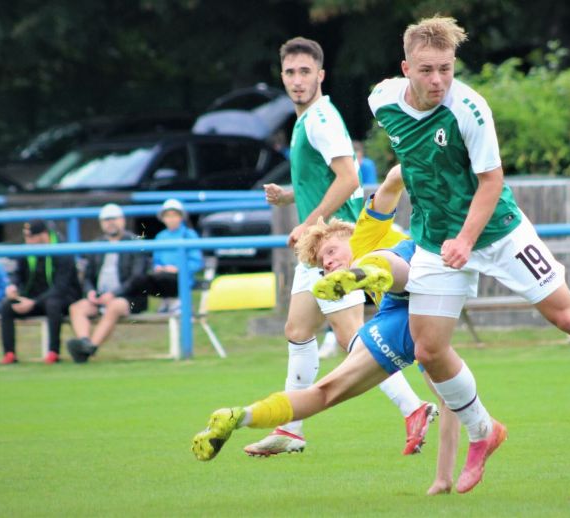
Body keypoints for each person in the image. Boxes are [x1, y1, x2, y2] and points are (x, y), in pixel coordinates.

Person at [367, 16, 570, 493]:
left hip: (499, 233)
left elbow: (490, 182)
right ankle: (484, 432)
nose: (438, 80)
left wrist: (466, 239)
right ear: (405, 68)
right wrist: (446, 239)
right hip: (436, 242)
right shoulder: (382, 101)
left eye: (446, 69)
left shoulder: (469, 109)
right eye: (426, 70)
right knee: (429, 350)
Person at [193, 167, 460, 494]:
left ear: (347, 233)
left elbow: (388, 183)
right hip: (403, 316)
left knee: (386, 267)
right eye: (323, 264)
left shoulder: (364, 231)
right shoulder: (352, 279)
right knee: (325, 392)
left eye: (331, 253)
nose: (329, 263)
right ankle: (241, 416)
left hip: (415, 279)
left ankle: (373, 273)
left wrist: (417, 155)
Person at [249, 36, 428, 457]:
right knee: (298, 330)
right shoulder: (307, 119)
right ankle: (291, 429)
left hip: (334, 245)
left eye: (305, 72)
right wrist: (290, 196)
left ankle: (413, 406)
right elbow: (329, 181)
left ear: (320, 76)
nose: (297, 80)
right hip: (320, 243)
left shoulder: (320, 119)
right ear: (282, 76)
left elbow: (349, 179)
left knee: (352, 337)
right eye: (291, 73)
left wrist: (308, 223)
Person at [66, 204, 150, 363]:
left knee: (115, 306)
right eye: (106, 220)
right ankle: (84, 342)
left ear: (123, 220)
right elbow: (88, 277)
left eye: (114, 219)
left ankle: (91, 347)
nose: (110, 223)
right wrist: (90, 291)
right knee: (76, 308)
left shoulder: (136, 243)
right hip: (100, 297)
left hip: (129, 299)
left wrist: (114, 294)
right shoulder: (97, 245)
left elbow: (137, 278)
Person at [0, 220, 81, 364]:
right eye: (26, 237)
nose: (28, 241)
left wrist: (34, 302)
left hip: (63, 299)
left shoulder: (63, 250)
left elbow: (60, 288)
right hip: (33, 300)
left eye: (31, 237)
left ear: (44, 235)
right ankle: (9, 354)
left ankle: (53, 352)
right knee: (7, 305)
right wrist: (14, 288)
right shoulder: (26, 250)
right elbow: (18, 275)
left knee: (53, 304)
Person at [147, 198, 203, 314]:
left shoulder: (189, 235)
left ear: (181, 217)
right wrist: (159, 267)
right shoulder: (160, 237)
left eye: (174, 215)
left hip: (182, 278)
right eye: (167, 215)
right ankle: (168, 301)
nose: (171, 219)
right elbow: (156, 260)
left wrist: (179, 268)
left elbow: (196, 262)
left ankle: (178, 303)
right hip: (163, 279)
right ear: (163, 218)